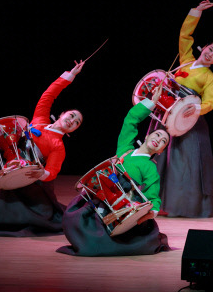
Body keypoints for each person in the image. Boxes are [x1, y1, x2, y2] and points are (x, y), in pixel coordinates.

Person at [0, 60, 85, 237]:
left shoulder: (58, 146)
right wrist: (70, 76)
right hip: (7, 159)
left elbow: (52, 171)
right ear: (62, 114)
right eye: (72, 115)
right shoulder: (40, 119)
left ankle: (7, 219)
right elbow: (48, 95)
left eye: (76, 123)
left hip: (25, 172)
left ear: (73, 130)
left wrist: (35, 173)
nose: (72, 120)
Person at [57, 85, 171, 256]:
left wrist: (150, 212)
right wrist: (149, 103)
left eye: (163, 141)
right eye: (157, 135)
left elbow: (153, 195)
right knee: (74, 216)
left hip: (121, 205)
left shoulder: (150, 168)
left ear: (161, 150)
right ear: (147, 136)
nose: (158, 140)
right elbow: (130, 120)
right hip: (102, 195)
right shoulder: (125, 149)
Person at [155, 0, 213, 218]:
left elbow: (210, 103)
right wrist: (197, 12)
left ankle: (182, 205)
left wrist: (192, 111)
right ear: (203, 48)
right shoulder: (186, 59)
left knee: (181, 163)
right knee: (159, 156)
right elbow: (185, 36)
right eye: (210, 49)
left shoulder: (208, 77)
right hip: (165, 112)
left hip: (187, 121)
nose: (211, 54)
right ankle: (156, 202)